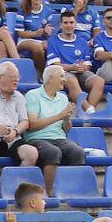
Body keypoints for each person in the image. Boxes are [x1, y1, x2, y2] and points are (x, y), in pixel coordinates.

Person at [23, 65, 88, 196]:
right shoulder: (33, 95)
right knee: (53, 152)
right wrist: (59, 116)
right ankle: (48, 192)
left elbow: (66, 130)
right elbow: (33, 124)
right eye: (62, 76)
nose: (65, 80)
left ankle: (72, 190)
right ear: (51, 79)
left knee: (77, 152)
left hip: (59, 138)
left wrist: (66, 119)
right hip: (37, 138)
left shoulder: (63, 98)